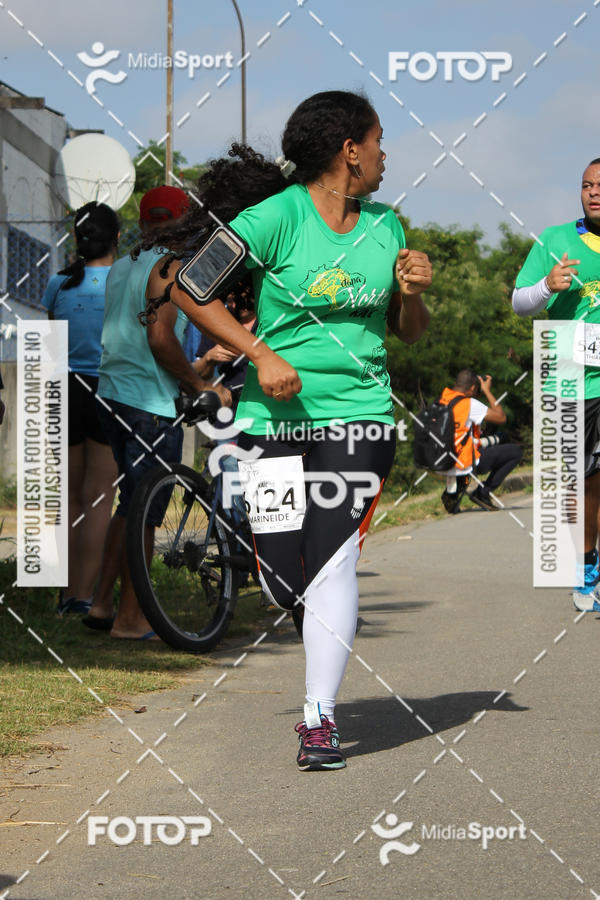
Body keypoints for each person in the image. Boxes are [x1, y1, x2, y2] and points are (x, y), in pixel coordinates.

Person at [138, 91, 432, 770]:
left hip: (360, 414)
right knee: (278, 577)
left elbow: (409, 335)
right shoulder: (274, 218)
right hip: (274, 419)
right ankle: (320, 650)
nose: (387, 154)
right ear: (348, 149)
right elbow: (190, 286)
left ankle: (318, 719)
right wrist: (261, 354)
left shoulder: (386, 226)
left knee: (331, 559)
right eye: (380, 140)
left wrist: (412, 295)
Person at [84, 185, 229, 639]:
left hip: (112, 394)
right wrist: (201, 384)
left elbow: (138, 340)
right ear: (186, 224)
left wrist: (198, 365)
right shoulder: (172, 267)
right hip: (148, 402)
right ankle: (130, 619)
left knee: (129, 505)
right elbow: (160, 339)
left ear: (144, 223)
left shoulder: (123, 266)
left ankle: (102, 604)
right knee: (147, 509)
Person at [513, 158, 600, 611]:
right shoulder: (555, 240)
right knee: (580, 484)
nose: (593, 192)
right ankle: (584, 566)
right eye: (586, 185)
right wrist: (547, 286)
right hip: (567, 378)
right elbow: (518, 302)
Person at [42, 202, 119, 615]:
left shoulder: (58, 284)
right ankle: (82, 596)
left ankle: (62, 592)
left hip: (62, 390)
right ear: (118, 239)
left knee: (69, 498)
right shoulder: (124, 283)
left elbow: (52, 340)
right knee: (98, 499)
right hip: (106, 390)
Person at [439, 370, 522, 514]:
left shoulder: (442, 398)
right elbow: (501, 417)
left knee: (495, 440)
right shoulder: (468, 404)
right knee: (515, 452)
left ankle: (452, 494)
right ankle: (482, 494)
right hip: (462, 460)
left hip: (439, 459)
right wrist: (486, 391)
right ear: (472, 388)